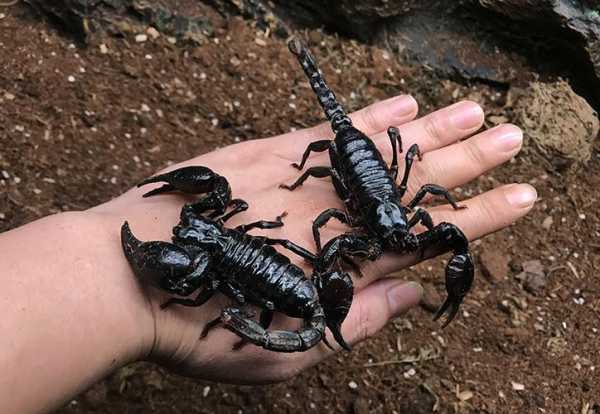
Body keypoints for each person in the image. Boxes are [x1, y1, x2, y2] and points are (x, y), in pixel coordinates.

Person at [0, 95, 535, 414]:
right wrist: (120, 288)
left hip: (281, 269)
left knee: (225, 280)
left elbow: (212, 277)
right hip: (284, 261)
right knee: (245, 271)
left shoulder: (213, 252)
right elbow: (294, 237)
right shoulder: (251, 227)